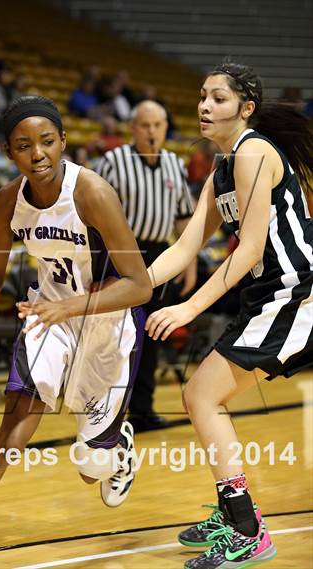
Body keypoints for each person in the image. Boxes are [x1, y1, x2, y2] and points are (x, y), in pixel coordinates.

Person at [0, 95, 152, 566]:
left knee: (90, 466)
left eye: (46, 142)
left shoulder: (91, 193)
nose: (37, 153)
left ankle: (116, 446)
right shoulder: (4, 204)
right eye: (23, 145)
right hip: (48, 315)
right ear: (8, 152)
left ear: (62, 142)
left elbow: (140, 285)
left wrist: (75, 307)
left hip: (109, 321)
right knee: (13, 431)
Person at [145, 61, 313, 568]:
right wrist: (130, 286)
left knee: (200, 394)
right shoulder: (222, 169)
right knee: (201, 396)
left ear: (246, 109)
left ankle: (246, 529)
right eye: (201, 96)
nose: (203, 105)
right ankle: (234, 516)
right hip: (270, 295)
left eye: (217, 98)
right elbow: (187, 244)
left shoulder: (255, 152)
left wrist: (188, 307)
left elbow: (248, 249)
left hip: (297, 292)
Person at [96, 100, 196, 432]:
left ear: (166, 127)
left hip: (159, 255)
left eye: (158, 124)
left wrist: (190, 261)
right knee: (116, 336)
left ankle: (142, 411)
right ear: (133, 128)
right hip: (121, 254)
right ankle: (106, 413)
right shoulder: (113, 162)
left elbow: (184, 217)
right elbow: (92, 215)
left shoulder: (175, 164)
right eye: (145, 125)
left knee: (151, 333)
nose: (152, 131)